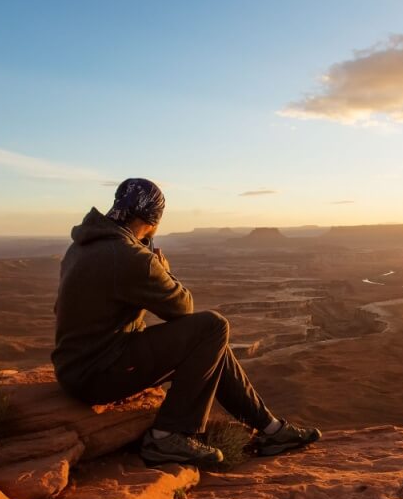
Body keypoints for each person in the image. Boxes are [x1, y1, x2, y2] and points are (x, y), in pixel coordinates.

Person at [52, 177, 320, 467]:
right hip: (97, 374)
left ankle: (270, 429)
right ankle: (167, 435)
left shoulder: (82, 246)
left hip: (75, 367)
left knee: (211, 342)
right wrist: (162, 269)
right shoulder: (129, 256)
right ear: (154, 218)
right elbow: (182, 308)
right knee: (213, 327)